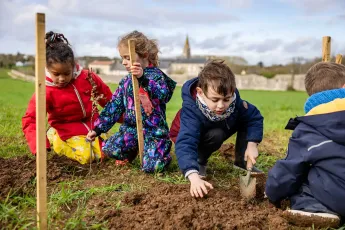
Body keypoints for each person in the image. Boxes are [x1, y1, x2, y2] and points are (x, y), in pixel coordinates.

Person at [265, 62, 345, 227]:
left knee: (302, 180)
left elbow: (288, 170)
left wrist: (272, 192)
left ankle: (316, 209)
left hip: (337, 198)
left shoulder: (308, 129)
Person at [170, 60, 263, 198]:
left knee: (244, 119)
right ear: (200, 92)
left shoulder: (235, 103)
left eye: (226, 99)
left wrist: (252, 144)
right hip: (186, 134)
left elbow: (254, 117)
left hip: (218, 124)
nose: (221, 105)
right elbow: (186, 143)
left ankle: (242, 161)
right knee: (216, 134)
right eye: (215, 100)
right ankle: (200, 161)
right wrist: (193, 177)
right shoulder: (192, 112)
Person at [86, 30, 176, 173]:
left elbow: (164, 95)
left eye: (127, 58)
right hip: (131, 130)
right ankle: (132, 151)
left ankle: (160, 153)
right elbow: (114, 106)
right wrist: (98, 129)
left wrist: (143, 79)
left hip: (153, 131)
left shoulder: (156, 76)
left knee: (153, 167)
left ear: (144, 55)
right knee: (109, 148)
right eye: (122, 58)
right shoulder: (126, 82)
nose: (123, 62)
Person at [22, 31, 113, 164]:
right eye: (56, 74)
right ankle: (54, 137)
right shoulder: (45, 90)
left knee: (105, 153)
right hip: (67, 129)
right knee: (86, 157)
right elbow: (31, 119)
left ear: (73, 66)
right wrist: (39, 145)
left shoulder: (88, 77)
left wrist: (127, 118)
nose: (62, 78)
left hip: (93, 126)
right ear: (47, 69)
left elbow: (109, 100)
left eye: (66, 73)